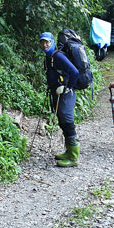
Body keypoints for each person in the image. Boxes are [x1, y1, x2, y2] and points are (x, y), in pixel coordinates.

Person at [40, 32, 80, 167]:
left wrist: (67, 87)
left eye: (47, 42)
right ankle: (68, 152)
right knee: (62, 121)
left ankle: (74, 158)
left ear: (52, 42)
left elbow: (75, 72)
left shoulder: (58, 56)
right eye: (42, 42)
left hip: (66, 94)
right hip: (56, 93)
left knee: (67, 121)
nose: (45, 45)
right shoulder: (48, 57)